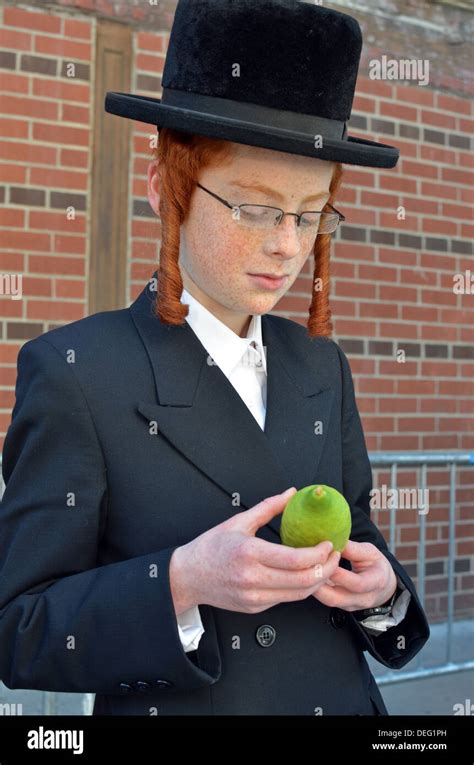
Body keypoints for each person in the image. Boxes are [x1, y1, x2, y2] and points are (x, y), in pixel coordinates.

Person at [0, 0, 429, 715]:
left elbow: (357, 533)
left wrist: (381, 591)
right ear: (167, 189)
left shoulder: (321, 366)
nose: (288, 244)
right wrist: (180, 580)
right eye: (255, 208)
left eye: (310, 212)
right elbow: (19, 629)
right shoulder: (77, 372)